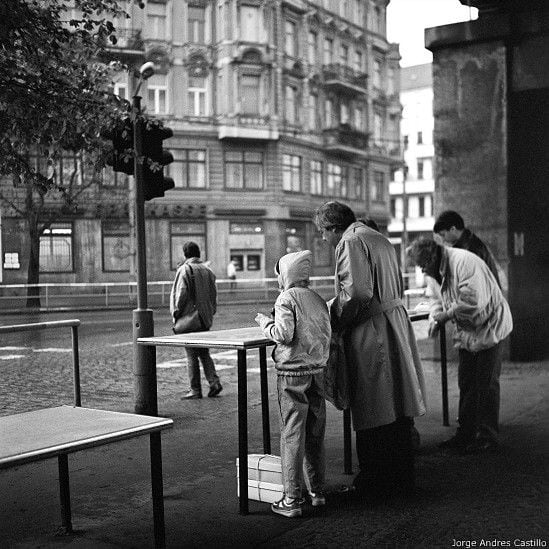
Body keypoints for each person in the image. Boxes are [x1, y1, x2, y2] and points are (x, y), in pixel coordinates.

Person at [314, 201, 426, 502]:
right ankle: (401, 478)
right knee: (397, 405)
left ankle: (375, 484)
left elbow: (357, 293)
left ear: (333, 227)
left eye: (323, 233)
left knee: (374, 404)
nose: (325, 240)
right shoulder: (377, 237)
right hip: (393, 324)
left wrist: (331, 317)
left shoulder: (350, 240)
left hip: (371, 330)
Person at [408, 238, 513, 453]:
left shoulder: (464, 262)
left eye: (423, 265)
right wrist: (435, 317)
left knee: (486, 383)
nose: (422, 271)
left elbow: (474, 303)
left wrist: (444, 317)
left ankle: (487, 436)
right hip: (468, 331)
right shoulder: (433, 270)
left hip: (489, 326)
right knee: (467, 383)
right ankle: (465, 434)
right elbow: (435, 298)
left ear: (433, 257)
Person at [255, 250, 331, 518]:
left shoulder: (286, 298)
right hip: (317, 372)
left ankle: (291, 499)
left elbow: (283, 335)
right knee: (314, 434)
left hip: (292, 374)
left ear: (285, 274)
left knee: (292, 434)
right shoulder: (318, 298)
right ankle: (318, 492)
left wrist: (265, 322)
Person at [170, 241, 222, 400]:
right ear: (198, 253)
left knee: (191, 354)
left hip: (190, 318)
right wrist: (210, 312)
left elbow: (181, 294)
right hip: (205, 318)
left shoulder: (185, 269)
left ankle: (195, 389)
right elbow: (214, 295)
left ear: (185, 254)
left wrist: (176, 313)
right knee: (204, 352)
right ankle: (214, 382)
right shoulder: (208, 270)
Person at [433, 210, 501, 288]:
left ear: (453, 229)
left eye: (443, 235)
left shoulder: (472, 249)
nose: (443, 240)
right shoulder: (466, 243)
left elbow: (473, 286)